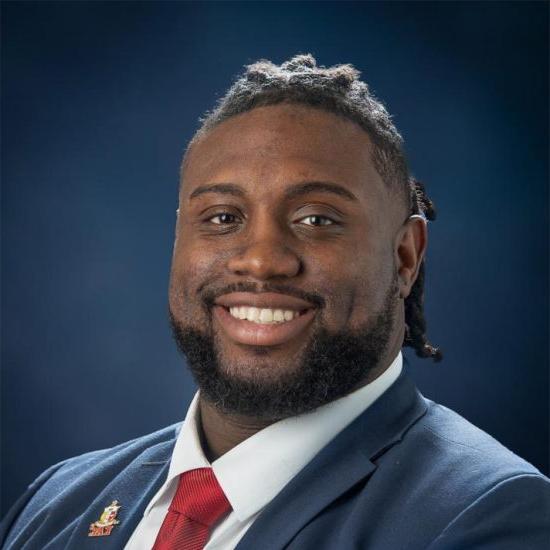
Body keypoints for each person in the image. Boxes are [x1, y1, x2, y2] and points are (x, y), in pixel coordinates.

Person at [1, 54, 549, 550]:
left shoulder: (491, 516)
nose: (261, 261)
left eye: (317, 219)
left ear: (405, 257)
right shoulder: (59, 501)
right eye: (222, 218)